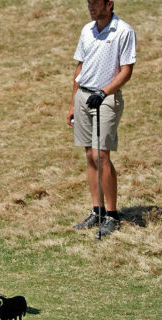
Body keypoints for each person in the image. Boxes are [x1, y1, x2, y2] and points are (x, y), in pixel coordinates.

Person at [67, 0, 136, 236]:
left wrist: (103, 92)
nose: (92, 7)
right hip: (84, 96)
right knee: (89, 153)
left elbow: (126, 70)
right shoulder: (87, 30)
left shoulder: (123, 31)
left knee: (101, 154)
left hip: (106, 98)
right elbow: (80, 67)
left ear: (110, 4)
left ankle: (112, 215)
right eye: (89, 3)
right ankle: (97, 210)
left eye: (96, 3)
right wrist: (72, 102)